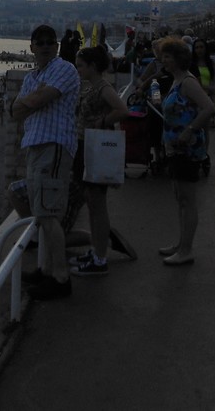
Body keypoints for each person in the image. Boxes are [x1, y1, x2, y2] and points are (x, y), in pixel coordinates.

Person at [9, 24, 81, 301]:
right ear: (31, 47)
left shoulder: (64, 69)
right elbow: (15, 111)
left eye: (50, 41)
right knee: (41, 212)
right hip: (36, 148)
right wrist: (32, 100)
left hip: (54, 146)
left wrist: (32, 100)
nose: (45, 46)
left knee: (49, 215)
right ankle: (47, 269)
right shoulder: (32, 77)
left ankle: (60, 278)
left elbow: (41, 98)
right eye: (40, 42)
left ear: (57, 45)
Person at [69, 45, 131, 277]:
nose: (78, 70)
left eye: (81, 66)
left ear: (93, 66)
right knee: (92, 203)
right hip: (86, 146)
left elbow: (122, 110)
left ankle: (100, 258)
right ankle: (96, 250)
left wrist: (102, 121)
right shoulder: (93, 86)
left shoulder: (103, 87)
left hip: (93, 147)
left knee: (97, 204)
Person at [155, 37, 215, 266]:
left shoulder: (188, 82)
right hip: (175, 148)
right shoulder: (176, 80)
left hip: (187, 149)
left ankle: (187, 249)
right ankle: (181, 243)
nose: (163, 60)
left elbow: (209, 107)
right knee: (179, 198)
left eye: (167, 56)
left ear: (178, 59)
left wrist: (190, 130)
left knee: (188, 200)